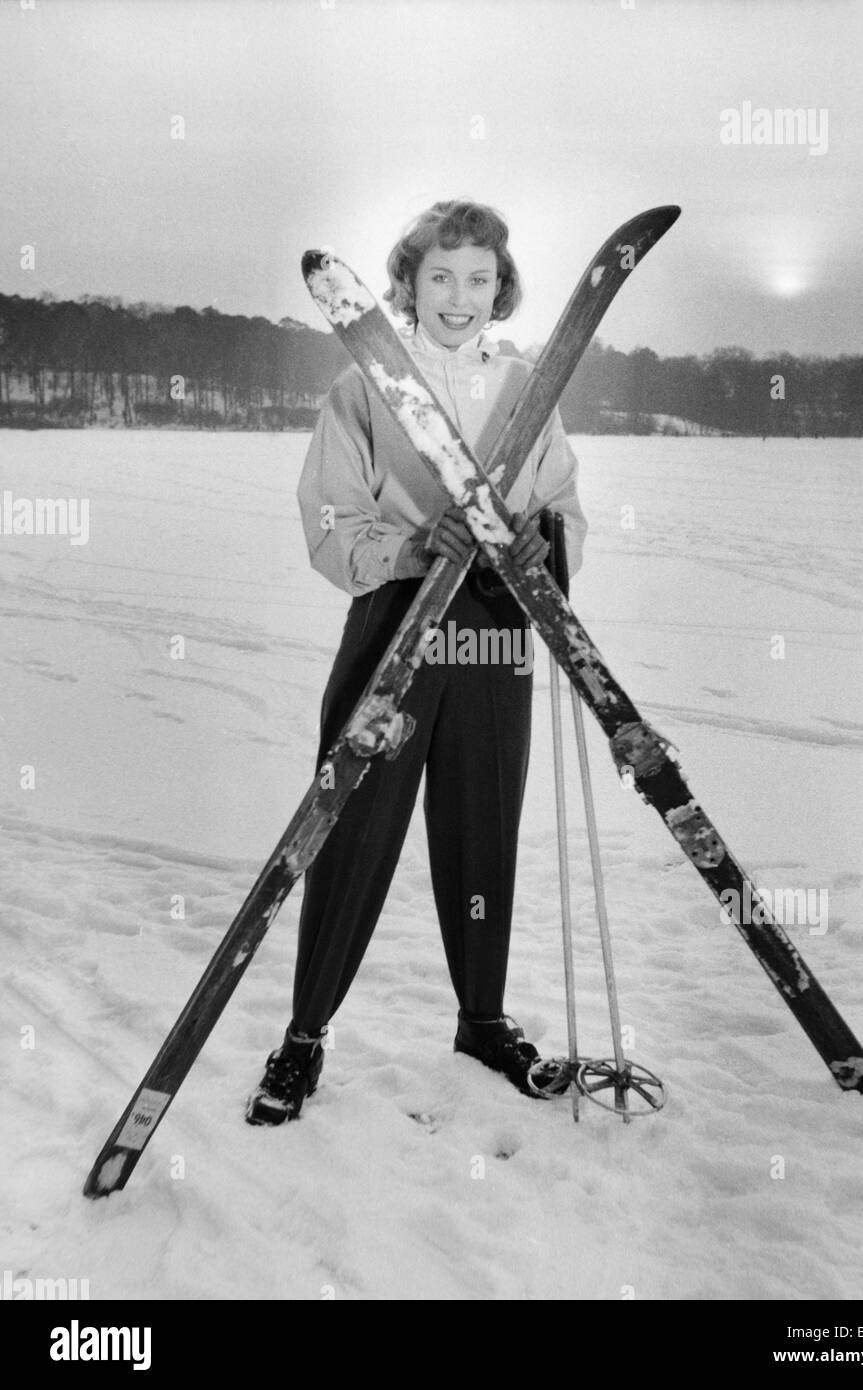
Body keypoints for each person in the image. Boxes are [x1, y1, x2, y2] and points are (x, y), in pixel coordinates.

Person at [246, 199, 587, 1125]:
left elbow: (565, 512)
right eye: (441, 276)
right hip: (397, 629)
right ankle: (304, 1037)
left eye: (479, 278)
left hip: (494, 633)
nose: (460, 296)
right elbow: (331, 524)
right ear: (408, 282)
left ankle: (483, 1020)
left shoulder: (528, 390)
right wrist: (411, 550)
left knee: (484, 827)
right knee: (350, 826)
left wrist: (536, 544)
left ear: (501, 288)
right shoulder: (362, 389)